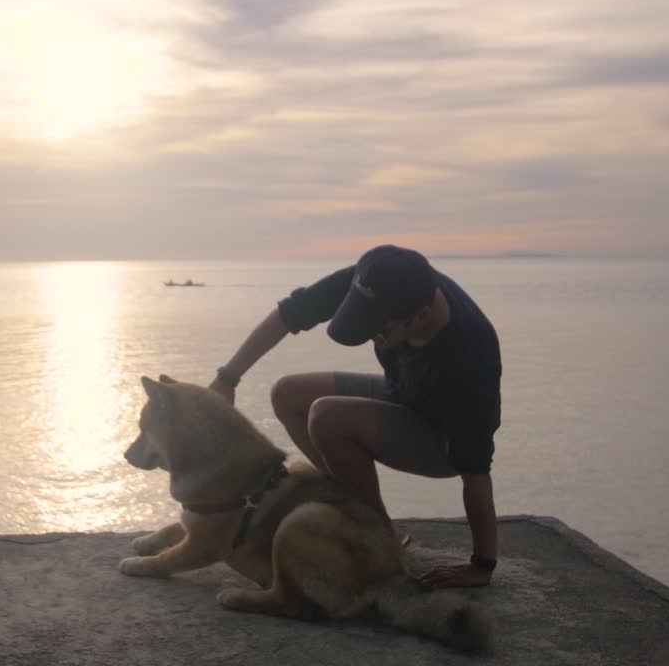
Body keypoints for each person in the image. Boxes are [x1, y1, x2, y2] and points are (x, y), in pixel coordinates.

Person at [208, 244, 502, 589]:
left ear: (420, 317)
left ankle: (379, 541)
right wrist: (228, 379)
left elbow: (476, 472)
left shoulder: (469, 357)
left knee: (327, 417)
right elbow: (291, 314)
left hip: (443, 439)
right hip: (404, 392)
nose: (372, 336)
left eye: (378, 330)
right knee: (287, 394)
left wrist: (481, 565)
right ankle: (353, 515)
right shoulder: (383, 279)